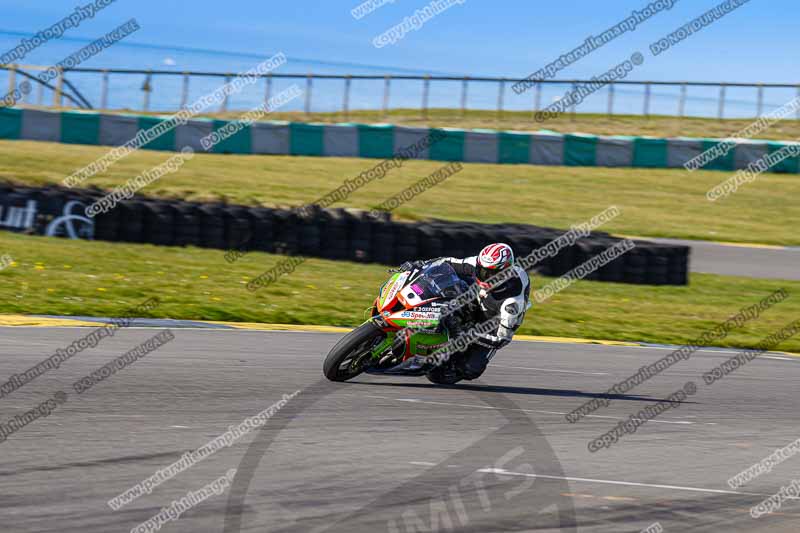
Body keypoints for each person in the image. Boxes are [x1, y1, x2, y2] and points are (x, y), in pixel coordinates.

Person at [398, 243, 531, 380]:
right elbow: (448, 262)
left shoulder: (512, 304)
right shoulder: (479, 264)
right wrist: (419, 265)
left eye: (489, 273)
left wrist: (467, 334)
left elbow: (501, 339)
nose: (483, 275)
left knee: (470, 369)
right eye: (481, 270)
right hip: (479, 297)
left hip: (491, 323)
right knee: (452, 283)